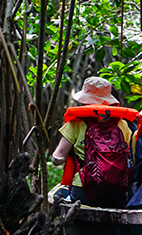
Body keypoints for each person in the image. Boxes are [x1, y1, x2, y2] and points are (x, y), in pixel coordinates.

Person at [52, 76, 135, 207]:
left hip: (83, 190)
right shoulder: (122, 124)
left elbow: (58, 158)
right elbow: (131, 155)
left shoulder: (75, 123)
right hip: (117, 190)